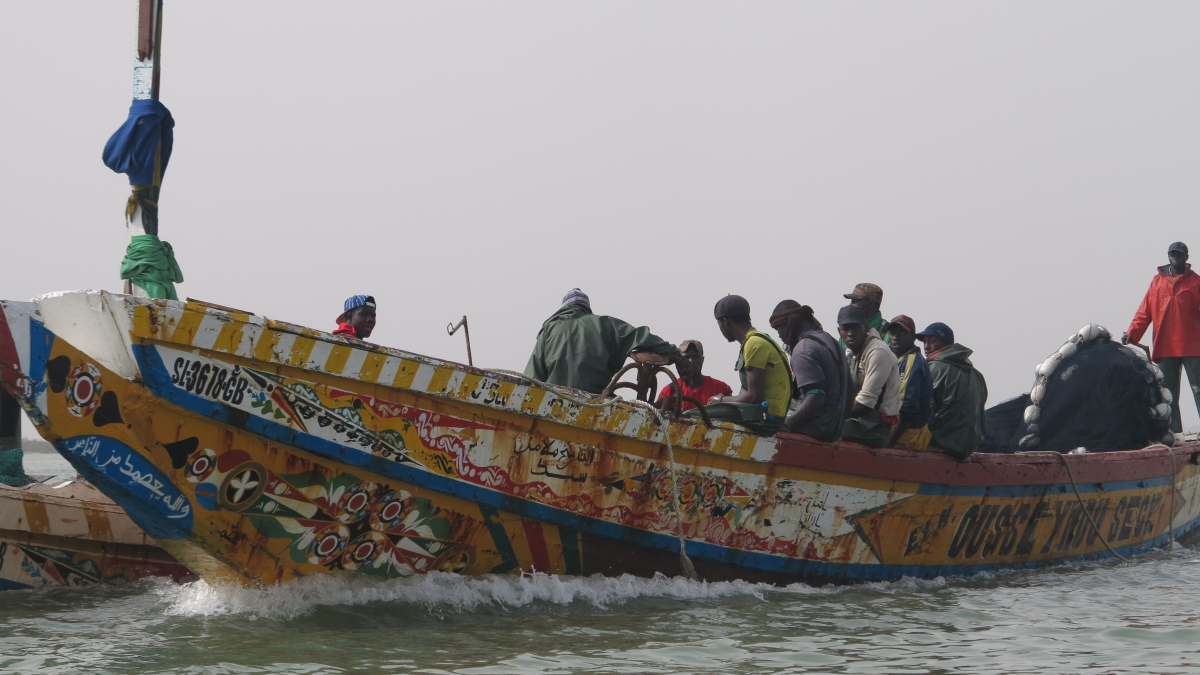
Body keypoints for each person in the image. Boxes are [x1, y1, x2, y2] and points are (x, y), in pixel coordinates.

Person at [523, 289, 687, 394]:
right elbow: (641, 336)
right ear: (586, 308)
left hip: (555, 403)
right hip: (597, 402)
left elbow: (531, 378)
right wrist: (674, 352)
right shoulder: (605, 324)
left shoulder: (548, 331)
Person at [1123, 241, 1200, 433]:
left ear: (1186, 258)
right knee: (1168, 394)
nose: (1175, 257)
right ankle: (1175, 435)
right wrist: (1132, 334)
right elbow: (1144, 312)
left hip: (1193, 346)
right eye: (1172, 254)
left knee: (1199, 388)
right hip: (1165, 346)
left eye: (1179, 254)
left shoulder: (1196, 282)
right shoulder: (1157, 282)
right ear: (1168, 256)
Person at [688, 295, 791, 434]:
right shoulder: (757, 339)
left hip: (767, 418)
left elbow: (754, 397)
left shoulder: (754, 344)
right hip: (763, 414)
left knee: (691, 416)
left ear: (725, 322)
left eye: (719, 323)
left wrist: (721, 399)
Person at [769, 300, 848, 442]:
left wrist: (787, 424)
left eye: (778, 328)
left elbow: (816, 396)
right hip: (835, 426)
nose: (779, 335)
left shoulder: (803, 350)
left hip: (815, 427)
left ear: (789, 324)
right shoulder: (832, 341)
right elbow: (851, 390)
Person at [916, 322, 987, 459]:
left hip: (937, 443)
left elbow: (918, 406)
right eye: (925, 342)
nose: (926, 346)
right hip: (966, 447)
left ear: (946, 344)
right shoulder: (977, 375)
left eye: (932, 341)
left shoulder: (932, 368)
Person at [838, 305, 901, 448]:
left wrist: (832, 418)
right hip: (857, 420)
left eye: (855, 327)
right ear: (839, 331)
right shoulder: (849, 353)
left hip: (876, 428)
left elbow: (864, 404)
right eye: (845, 328)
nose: (850, 333)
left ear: (865, 328)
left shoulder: (877, 351)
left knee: (825, 427)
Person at [886, 315, 933, 451]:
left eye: (902, 333)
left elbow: (907, 409)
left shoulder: (911, 361)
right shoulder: (900, 359)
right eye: (893, 333)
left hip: (911, 433)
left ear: (913, 338)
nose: (896, 337)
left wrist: (889, 443)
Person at [657, 340, 732, 412]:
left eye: (695, 357)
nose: (691, 361)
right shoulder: (669, 391)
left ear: (702, 360)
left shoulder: (720, 389)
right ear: (679, 361)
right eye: (686, 357)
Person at [839, 283, 889, 348]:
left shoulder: (888, 331)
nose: (851, 305)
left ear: (871, 303)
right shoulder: (847, 330)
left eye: (855, 301)